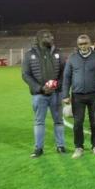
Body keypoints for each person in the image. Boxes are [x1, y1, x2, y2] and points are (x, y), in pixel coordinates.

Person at [62, 34, 95, 158]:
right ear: (77, 45)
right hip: (77, 96)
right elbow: (66, 77)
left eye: (85, 43)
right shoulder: (72, 58)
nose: (83, 46)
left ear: (90, 44)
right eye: (80, 44)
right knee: (78, 123)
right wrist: (65, 94)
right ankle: (79, 147)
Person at [21, 30, 66, 158]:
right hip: (39, 95)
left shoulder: (58, 53)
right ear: (40, 38)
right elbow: (25, 74)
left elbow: (65, 72)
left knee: (58, 121)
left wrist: (57, 85)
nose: (51, 37)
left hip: (56, 94)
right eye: (47, 36)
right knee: (39, 122)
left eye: (51, 35)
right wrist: (40, 88)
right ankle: (38, 148)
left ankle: (60, 146)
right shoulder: (30, 54)